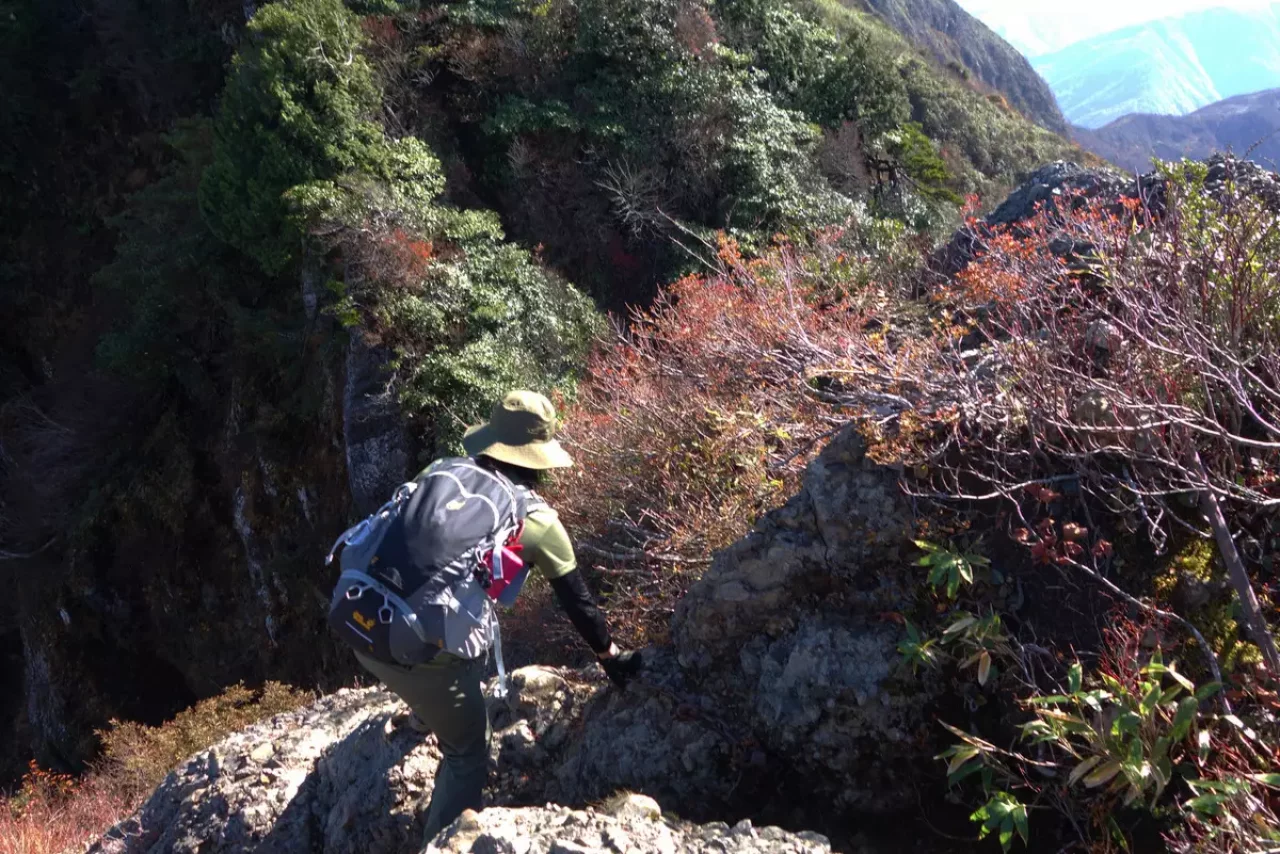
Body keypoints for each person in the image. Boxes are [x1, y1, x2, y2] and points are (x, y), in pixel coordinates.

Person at [351, 390, 642, 841]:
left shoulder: (440, 470)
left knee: (443, 632)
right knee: (469, 751)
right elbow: (577, 601)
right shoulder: (538, 521)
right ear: (539, 456)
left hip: (360, 620)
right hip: (416, 655)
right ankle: (442, 844)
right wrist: (611, 657)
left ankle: (424, 714)